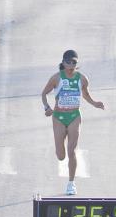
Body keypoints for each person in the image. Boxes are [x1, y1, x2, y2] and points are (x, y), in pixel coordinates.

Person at [41, 50, 104, 195]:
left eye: (74, 62)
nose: (71, 65)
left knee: (71, 151)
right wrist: (47, 107)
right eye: (68, 62)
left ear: (77, 63)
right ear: (63, 63)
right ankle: (59, 145)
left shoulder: (82, 79)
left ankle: (71, 183)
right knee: (61, 155)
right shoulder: (56, 78)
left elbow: (86, 95)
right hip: (58, 117)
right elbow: (44, 94)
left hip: (74, 116)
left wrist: (95, 103)